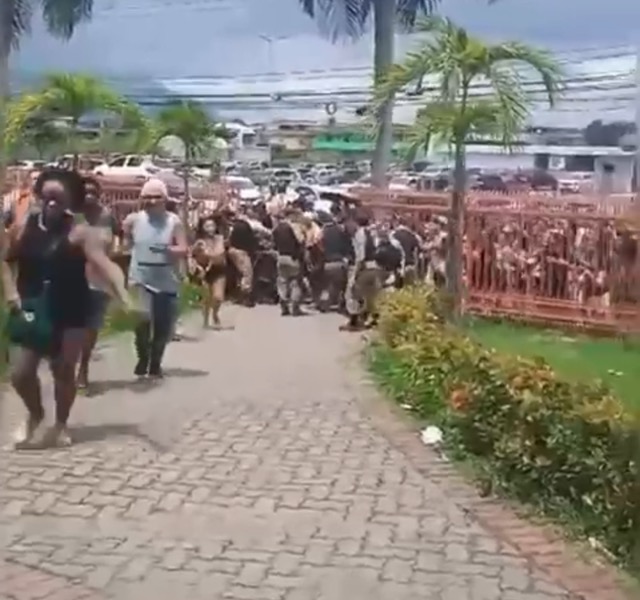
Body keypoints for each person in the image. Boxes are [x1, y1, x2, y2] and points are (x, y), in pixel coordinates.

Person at [1, 169, 131, 448]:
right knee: (20, 374)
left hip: (71, 308)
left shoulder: (80, 232)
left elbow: (105, 264)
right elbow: (5, 259)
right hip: (32, 306)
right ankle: (35, 415)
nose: (51, 203)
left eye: (58, 198)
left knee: (63, 371)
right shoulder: (24, 226)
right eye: (46, 197)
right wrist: (11, 292)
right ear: (38, 196)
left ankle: (60, 424)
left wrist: (124, 295)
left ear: (70, 201)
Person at [122, 179, 187, 378]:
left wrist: (171, 250)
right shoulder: (133, 220)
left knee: (162, 325)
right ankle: (143, 356)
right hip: (140, 277)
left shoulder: (173, 221)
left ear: (164, 199)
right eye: (147, 196)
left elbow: (183, 248)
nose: (152, 201)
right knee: (142, 321)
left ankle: (155, 363)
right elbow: (126, 246)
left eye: (156, 197)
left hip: (166, 277)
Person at [77, 177, 120, 389]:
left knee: (90, 327)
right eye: (85, 191)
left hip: (98, 280)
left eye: (93, 191)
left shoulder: (107, 217)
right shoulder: (71, 217)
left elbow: (117, 242)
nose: (89, 195)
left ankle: (83, 368)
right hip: (70, 279)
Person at [341, 209, 381, 332]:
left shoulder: (360, 234)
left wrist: (354, 274)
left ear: (354, 221)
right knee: (370, 296)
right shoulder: (370, 233)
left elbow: (360, 257)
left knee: (351, 294)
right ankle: (372, 320)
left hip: (365, 268)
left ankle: (354, 322)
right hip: (374, 267)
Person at [191, 214, 228, 329]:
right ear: (203, 228)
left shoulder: (220, 239)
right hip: (204, 271)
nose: (210, 228)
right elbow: (192, 255)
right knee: (206, 297)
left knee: (218, 297)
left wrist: (207, 253)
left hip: (219, 270)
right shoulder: (199, 242)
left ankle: (215, 314)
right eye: (207, 226)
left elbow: (220, 253)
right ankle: (205, 319)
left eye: (212, 225)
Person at [272, 205, 305, 316]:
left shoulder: (277, 228)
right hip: (293, 257)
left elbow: (274, 243)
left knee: (282, 281)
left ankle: (283, 302)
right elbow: (300, 241)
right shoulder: (293, 227)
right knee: (295, 282)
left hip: (281, 257)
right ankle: (295, 307)